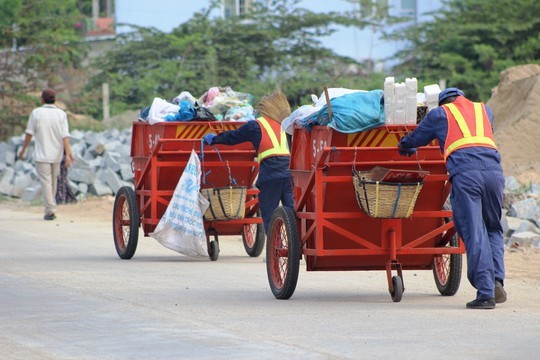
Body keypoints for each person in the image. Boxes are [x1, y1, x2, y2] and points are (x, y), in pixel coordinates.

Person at [398, 87, 506, 309]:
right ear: (463, 97)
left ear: (443, 102)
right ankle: (496, 280)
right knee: (493, 228)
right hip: (495, 173)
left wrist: (405, 145)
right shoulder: (483, 110)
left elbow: (417, 138)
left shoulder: (440, 114)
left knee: (474, 231)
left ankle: (486, 293)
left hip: (467, 176)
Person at [202, 90, 294, 234]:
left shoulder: (256, 125)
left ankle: (274, 252)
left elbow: (232, 137)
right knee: (294, 217)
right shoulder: (288, 126)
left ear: (265, 109)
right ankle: (295, 249)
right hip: (290, 175)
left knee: (269, 217)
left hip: (270, 176)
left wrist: (214, 139)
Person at [18, 89, 74, 221]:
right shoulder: (61, 114)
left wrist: (23, 149)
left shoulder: (36, 113)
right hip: (57, 154)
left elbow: (29, 133)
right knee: (53, 181)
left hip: (42, 154)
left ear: (42, 99)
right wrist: (68, 154)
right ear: (55, 99)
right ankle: (50, 208)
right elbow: (65, 136)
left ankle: (50, 209)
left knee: (46, 182)